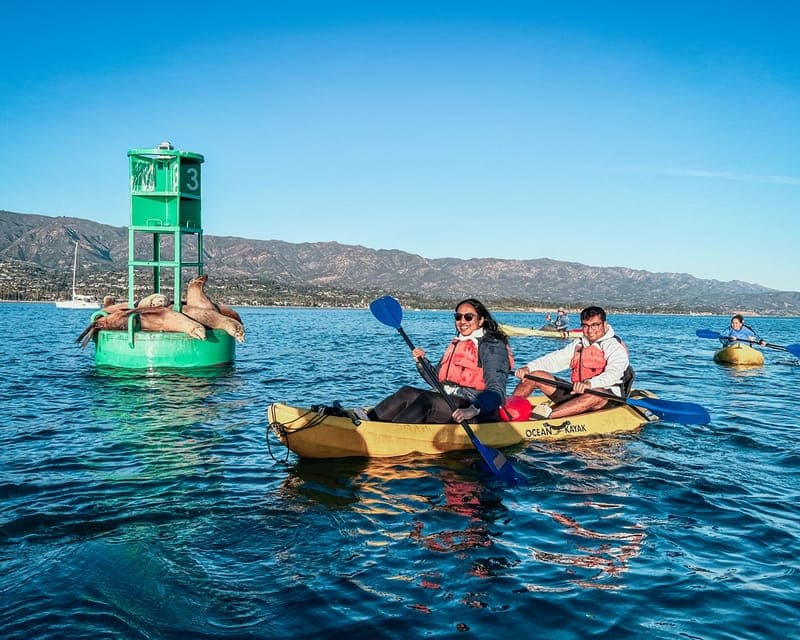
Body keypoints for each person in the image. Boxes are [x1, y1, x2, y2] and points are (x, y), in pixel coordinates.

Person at [361, 298, 514, 424]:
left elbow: (497, 390)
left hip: (476, 409)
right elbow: (437, 381)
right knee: (407, 392)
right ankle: (370, 420)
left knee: (427, 400)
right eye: (458, 317)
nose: (462, 321)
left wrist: (474, 409)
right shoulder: (458, 342)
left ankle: (389, 433)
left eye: (468, 317)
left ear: (481, 320)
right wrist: (422, 364)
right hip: (449, 398)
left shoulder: (492, 345)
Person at [511, 306, 632, 419]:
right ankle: (510, 410)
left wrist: (590, 384)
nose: (590, 330)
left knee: (596, 393)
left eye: (595, 325)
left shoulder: (614, 347)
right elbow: (554, 359)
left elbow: (614, 373)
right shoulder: (578, 344)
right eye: (586, 325)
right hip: (577, 392)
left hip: (606, 398)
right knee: (534, 375)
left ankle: (546, 419)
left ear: (604, 324)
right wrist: (528, 368)